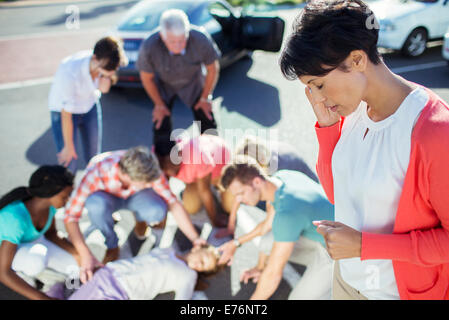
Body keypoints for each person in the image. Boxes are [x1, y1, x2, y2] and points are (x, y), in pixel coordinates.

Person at [279, 0, 449, 300]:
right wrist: (328, 130)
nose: (317, 99)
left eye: (319, 85)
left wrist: (363, 246)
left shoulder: (434, 132)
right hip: (346, 280)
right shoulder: (351, 110)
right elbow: (337, 195)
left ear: (357, 59)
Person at [63, 146, 206, 284]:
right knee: (95, 205)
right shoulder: (96, 173)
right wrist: (85, 254)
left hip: (134, 196)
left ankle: (140, 218)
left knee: (158, 209)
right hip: (107, 198)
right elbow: (70, 217)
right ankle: (112, 245)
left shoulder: (148, 168)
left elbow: (174, 204)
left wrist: (195, 238)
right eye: (145, 183)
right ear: (125, 176)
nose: (150, 184)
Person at [218, 158, 334, 300]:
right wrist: (235, 243)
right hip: (327, 231)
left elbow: (273, 273)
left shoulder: (288, 213)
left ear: (256, 182)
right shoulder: (282, 177)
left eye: (240, 193)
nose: (238, 200)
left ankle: (341, 282)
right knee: (268, 241)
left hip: (338, 252)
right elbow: (266, 226)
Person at [136, 9, 221, 149]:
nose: (177, 46)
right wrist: (159, 104)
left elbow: (213, 69)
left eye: (181, 40)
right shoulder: (149, 45)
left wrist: (205, 97)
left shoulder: (200, 38)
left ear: (188, 33)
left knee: (207, 120)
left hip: (194, 82)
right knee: (160, 123)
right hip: (164, 84)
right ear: (162, 37)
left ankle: (214, 157)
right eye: (172, 41)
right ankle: (164, 162)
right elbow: (147, 78)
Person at [48, 36, 128, 173]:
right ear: (95, 58)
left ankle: (92, 189)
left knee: (94, 158)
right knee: (69, 162)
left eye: (113, 69)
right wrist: (69, 146)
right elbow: (66, 113)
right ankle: (68, 192)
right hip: (63, 112)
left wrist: (106, 76)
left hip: (89, 106)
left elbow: (104, 89)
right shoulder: (70, 72)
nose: (110, 71)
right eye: (107, 68)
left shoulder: (106, 67)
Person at [216, 134, 319, 238]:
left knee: (255, 195)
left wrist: (237, 242)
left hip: (307, 200)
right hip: (296, 187)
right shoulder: (260, 154)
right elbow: (238, 190)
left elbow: (267, 224)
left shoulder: (278, 174)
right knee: (248, 190)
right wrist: (231, 224)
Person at [0, 166, 80, 300]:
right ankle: (24, 276)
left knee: (74, 265)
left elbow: (51, 234)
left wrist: (79, 256)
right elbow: (3, 272)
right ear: (50, 193)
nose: (68, 200)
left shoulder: (51, 207)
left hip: (32, 242)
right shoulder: (15, 218)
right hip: (6, 254)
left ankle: (67, 288)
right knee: (35, 262)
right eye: (65, 197)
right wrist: (42, 298)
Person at [46, 245, 223, 300]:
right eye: (206, 257)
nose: (201, 264)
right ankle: (58, 289)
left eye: (204, 268)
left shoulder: (188, 275)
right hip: (108, 274)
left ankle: (58, 289)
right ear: (199, 247)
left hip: (121, 292)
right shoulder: (168, 249)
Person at [155, 134, 232, 227]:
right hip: (198, 174)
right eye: (163, 167)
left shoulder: (198, 157)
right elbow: (163, 188)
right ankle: (198, 186)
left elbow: (204, 191)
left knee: (229, 206)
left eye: (170, 164)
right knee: (190, 207)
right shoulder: (160, 156)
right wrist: (162, 219)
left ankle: (218, 188)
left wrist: (214, 220)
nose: (168, 171)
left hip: (220, 171)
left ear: (179, 152)